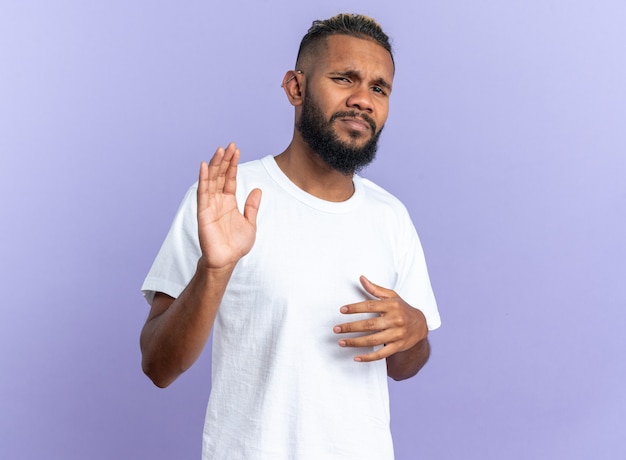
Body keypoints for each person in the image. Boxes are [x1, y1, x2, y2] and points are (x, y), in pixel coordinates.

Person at [140, 13, 441, 460]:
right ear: (295, 87)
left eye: (379, 88)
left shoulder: (391, 217)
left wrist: (415, 331)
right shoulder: (226, 200)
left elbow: (402, 366)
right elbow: (158, 366)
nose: (363, 100)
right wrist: (214, 269)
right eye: (344, 79)